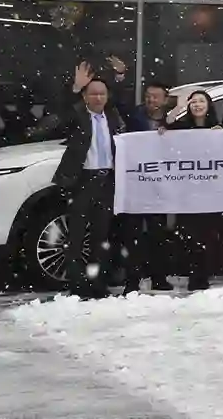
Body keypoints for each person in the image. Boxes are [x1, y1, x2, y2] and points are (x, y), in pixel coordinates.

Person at [52, 77, 126, 300]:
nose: (98, 98)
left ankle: (98, 284)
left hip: (107, 181)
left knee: (100, 236)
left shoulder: (113, 117)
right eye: (93, 94)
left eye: (102, 94)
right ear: (84, 97)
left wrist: (120, 78)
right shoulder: (77, 116)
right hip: (82, 181)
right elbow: (61, 116)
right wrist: (73, 89)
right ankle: (77, 285)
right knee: (75, 237)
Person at [164, 90, 223, 292]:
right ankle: (193, 274)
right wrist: (178, 108)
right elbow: (166, 126)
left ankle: (205, 274)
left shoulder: (217, 128)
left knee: (209, 234)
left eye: (201, 101)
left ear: (208, 105)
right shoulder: (182, 127)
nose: (197, 105)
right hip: (187, 189)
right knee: (189, 234)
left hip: (211, 190)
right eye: (193, 102)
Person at [121, 80, 175, 294]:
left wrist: (170, 130)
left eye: (155, 96)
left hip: (160, 185)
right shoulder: (134, 116)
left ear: (165, 99)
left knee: (158, 234)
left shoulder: (173, 120)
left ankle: (158, 278)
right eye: (148, 96)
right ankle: (132, 281)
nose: (151, 100)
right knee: (132, 234)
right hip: (136, 182)